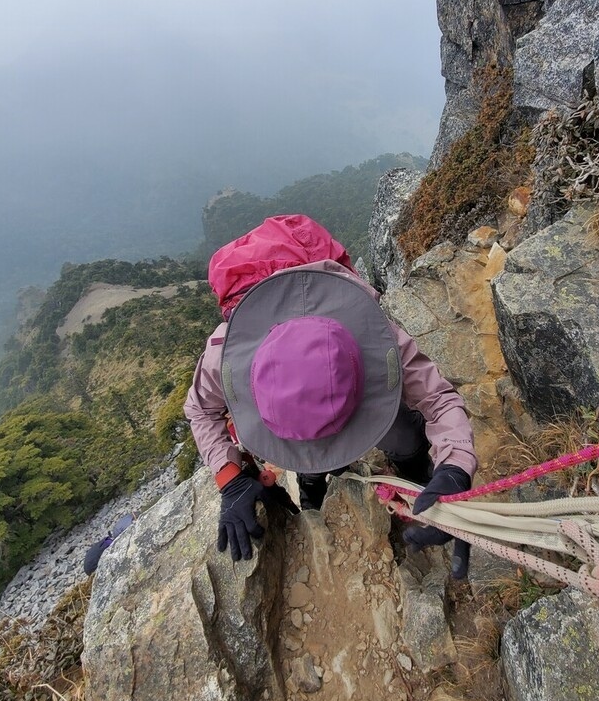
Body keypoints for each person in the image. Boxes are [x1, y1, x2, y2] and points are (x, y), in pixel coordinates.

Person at [184, 214, 477, 567]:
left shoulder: (376, 341)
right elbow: (200, 409)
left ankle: (412, 463)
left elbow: (437, 398)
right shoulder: (223, 358)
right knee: (308, 448)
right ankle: (312, 479)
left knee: (399, 432)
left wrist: (453, 469)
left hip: (343, 334)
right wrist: (229, 477)